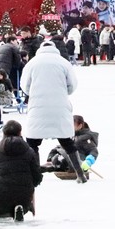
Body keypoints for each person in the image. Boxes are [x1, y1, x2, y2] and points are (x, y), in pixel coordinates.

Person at [20, 40, 86, 183]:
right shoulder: (63, 63)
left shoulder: (32, 63)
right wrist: (62, 92)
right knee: (68, 143)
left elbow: (24, 86)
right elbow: (72, 85)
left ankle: (35, 176)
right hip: (59, 107)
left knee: (33, 142)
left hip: (38, 108)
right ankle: (80, 174)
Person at [0, 120, 42, 221]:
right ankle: (21, 206)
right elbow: (37, 177)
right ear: (20, 133)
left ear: (4, 134)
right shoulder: (29, 151)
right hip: (24, 197)